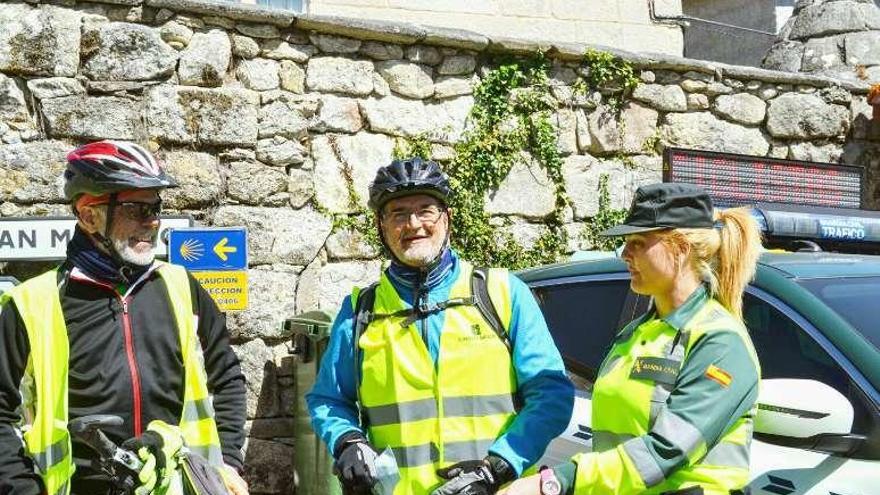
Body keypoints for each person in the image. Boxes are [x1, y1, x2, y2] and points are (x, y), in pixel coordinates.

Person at [306, 157, 574, 495]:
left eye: (425, 210)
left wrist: (498, 467)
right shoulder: (362, 310)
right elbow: (328, 399)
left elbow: (552, 396)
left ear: (446, 219)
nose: (413, 223)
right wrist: (347, 441)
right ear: (382, 226)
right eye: (398, 214)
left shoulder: (502, 294)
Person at [0, 140, 249, 494]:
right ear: (89, 215)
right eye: (136, 209)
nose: (153, 221)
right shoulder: (31, 303)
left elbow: (226, 376)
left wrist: (226, 462)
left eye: (156, 207)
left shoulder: (179, 286)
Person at [499, 182, 762, 495]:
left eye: (638, 242)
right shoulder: (636, 332)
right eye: (625, 243)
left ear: (679, 248)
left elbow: (665, 450)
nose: (625, 254)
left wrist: (555, 482)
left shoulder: (720, 342)